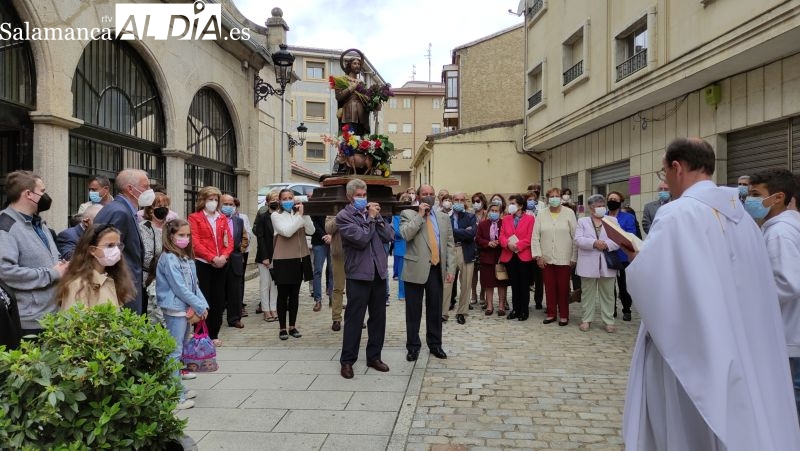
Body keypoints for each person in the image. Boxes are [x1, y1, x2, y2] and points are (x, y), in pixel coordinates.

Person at [623, 137, 800, 450]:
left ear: (677, 167)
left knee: (687, 425)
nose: (665, 181)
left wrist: (637, 260)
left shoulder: (678, 213)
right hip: (738, 336)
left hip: (691, 343)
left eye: (664, 173)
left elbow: (659, 285)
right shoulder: (743, 218)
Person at [746, 168, 800, 417]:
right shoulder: (781, 227)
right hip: (789, 331)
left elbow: (787, 283)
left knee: (789, 401)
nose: (750, 200)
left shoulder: (780, 233)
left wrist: (747, 294)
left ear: (778, 197)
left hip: (787, 332)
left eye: (756, 195)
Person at [336, 179, 394, 379]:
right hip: (358, 274)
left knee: (378, 318)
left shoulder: (373, 214)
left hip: (378, 273)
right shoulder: (344, 217)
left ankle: (374, 357)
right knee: (354, 319)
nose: (362, 198)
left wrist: (378, 218)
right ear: (349, 197)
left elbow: (389, 235)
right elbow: (361, 239)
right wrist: (370, 218)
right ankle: (347, 361)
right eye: (358, 195)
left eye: (364, 195)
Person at [0, 171, 67, 335]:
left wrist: (62, 266)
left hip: (51, 316)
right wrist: (53, 273)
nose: (45, 196)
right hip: (28, 321)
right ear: (28, 194)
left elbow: (51, 258)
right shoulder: (5, 227)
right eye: (42, 191)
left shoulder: (39, 223)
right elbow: (5, 271)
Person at [156, 218, 209, 411]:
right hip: (175, 309)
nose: (185, 238)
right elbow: (179, 287)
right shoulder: (169, 258)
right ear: (170, 236)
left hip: (185, 308)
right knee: (175, 351)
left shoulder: (185, 257)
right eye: (181, 235)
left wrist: (202, 305)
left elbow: (194, 285)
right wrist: (199, 306)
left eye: (188, 235)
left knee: (180, 350)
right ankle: (174, 395)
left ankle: (178, 387)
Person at [400, 184, 455, 361]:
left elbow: (450, 245)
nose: (428, 196)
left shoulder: (443, 217)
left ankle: (435, 344)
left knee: (435, 309)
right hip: (415, 269)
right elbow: (405, 235)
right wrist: (420, 215)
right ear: (418, 196)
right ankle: (413, 346)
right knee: (413, 311)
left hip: (436, 269)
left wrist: (450, 268)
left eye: (431, 194)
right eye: (425, 194)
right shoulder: (408, 214)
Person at [93, 169, 154, 314]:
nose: (150, 191)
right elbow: (107, 253)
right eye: (145, 186)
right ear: (130, 189)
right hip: (121, 286)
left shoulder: (121, 209)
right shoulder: (120, 212)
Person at [188, 186, 233, 346]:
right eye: (210, 199)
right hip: (203, 264)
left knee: (218, 300)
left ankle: (214, 333)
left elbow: (229, 241)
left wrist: (224, 256)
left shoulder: (222, 218)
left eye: (215, 199)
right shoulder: (194, 218)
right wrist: (212, 257)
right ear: (203, 200)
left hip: (221, 264)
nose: (213, 202)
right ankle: (200, 334)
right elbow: (195, 241)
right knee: (203, 299)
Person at [56, 223, 135, 310]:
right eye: (110, 245)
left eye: (118, 245)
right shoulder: (78, 285)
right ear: (92, 250)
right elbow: (75, 317)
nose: (116, 250)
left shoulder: (112, 278)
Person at [271, 189, 314, 340]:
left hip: (299, 258)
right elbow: (287, 232)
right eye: (285, 198)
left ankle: (292, 326)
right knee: (283, 295)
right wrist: (299, 217)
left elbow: (311, 230)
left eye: (290, 198)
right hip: (283, 259)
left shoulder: (299, 215)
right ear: (280, 201)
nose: (288, 201)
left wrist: (305, 214)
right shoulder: (276, 215)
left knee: (295, 295)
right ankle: (282, 328)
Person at [532, 188, 577, 326]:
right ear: (547, 199)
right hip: (546, 258)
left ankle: (564, 315)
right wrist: (538, 256)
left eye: (557, 196)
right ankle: (551, 313)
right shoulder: (541, 214)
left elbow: (575, 237)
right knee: (549, 287)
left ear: (561, 198)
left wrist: (574, 257)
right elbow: (535, 237)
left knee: (563, 288)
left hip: (564, 257)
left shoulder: (569, 213)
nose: (554, 199)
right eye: (551, 196)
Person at [574, 195, 619, 332]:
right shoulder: (582, 221)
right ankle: (586, 320)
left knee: (608, 294)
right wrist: (594, 243)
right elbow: (578, 240)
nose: (601, 208)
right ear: (591, 208)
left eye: (602, 205)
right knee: (587, 294)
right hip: (588, 262)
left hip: (607, 262)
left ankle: (609, 321)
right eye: (598, 206)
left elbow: (618, 239)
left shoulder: (612, 220)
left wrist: (606, 244)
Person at [499, 194, 535, 321]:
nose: (510, 206)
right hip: (509, 255)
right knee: (514, 284)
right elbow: (502, 236)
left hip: (523, 255)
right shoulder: (506, 219)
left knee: (524, 284)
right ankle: (515, 309)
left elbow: (530, 237)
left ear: (520, 205)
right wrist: (507, 244)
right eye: (510, 204)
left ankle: (524, 310)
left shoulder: (530, 219)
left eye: (513, 203)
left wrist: (518, 246)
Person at [442, 192, 477, 325]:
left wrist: (453, 231)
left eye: (462, 200)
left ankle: (462, 312)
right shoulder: (445, 217)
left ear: (465, 201)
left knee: (466, 284)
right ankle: (443, 313)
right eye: (456, 200)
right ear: (451, 201)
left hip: (466, 251)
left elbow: (471, 234)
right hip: (450, 251)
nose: (459, 202)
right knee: (447, 282)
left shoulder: (470, 216)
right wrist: (463, 231)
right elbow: (444, 234)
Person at [139, 192, 170, 323]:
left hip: (169, 277)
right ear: (150, 209)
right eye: (159, 206)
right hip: (151, 278)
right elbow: (147, 256)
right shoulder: (145, 227)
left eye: (166, 206)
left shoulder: (169, 227)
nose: (163, 209)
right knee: (150, 315)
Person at [606, 191, 636, 322]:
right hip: (607, 255)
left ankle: (626, 309)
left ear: (620, 202)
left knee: (623, 285)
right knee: (609, 285)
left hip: (623, 256)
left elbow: (630, 235)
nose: (612, 201)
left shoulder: (628, 217)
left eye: (615, 199)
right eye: (610, 199)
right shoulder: (603, 216)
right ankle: (611, 309)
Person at [475, 202, 508, 316]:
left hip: (501, 257)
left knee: (501, 282)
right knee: (488, 283)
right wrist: (488, 243)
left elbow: (507, 236)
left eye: (496, 211)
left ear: (501, 213)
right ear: (488, 212)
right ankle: (489, 305)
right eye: (492, 211)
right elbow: (478, 239)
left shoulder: (504, 223)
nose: (494, 213)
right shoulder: (483, 224)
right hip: (487, 257)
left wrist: (500, 241)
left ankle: (501, 306)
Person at [220, 194, 248, 329]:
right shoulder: (215, 220)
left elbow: (244, 238)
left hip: (235, 259)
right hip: (219, 259)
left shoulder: (239, 221)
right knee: (219, 290)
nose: (228, 206)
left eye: (231, 204)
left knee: (235, 290)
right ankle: (216, 318)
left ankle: (235, 318)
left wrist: (239, 251)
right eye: (225, 204)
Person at [254, 190, 278, 322]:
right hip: (265, 256)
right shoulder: (263, 217)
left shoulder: (281, 216)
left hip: (278, 255)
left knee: (275, 284)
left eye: (277, 199)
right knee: (265, 284)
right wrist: (265, 257)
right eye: (273, 199)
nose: (275, 202)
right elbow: (260, 238)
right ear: (268, 202)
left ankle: (273, 308)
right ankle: (266, 310)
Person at [335, 56, 369, 136]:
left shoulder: (362, 83)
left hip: (362, 115)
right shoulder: (342, 80)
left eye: (359, 64)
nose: (357, 65)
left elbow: (366, 99)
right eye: (354, 63)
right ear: (349, 65)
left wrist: (374, 102)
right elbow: (338, 97)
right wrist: (351, 88)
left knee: (362, 138)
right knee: (349, 138)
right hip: (348, 113)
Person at [325, 215, 346, 331]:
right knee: (338, 288)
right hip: (338, 253)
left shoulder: (358, 209)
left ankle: (356, 317)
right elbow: (328, 228)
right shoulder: (333, 211)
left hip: (356, 254)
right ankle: (336, 318)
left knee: (356, 288)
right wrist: (340, 215)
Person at [233, 197, 253, 316]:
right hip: (227, 254)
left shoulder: (243, 217)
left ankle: (239, 304)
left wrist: (241, 249)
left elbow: (248, 234)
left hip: (241, 252)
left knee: (240, 278)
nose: (232, 207)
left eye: (233, 205)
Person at [310, 212, 332, 313]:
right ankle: (317, 300)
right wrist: (324, 236)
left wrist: (332, 236)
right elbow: (314, 222)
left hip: (333, 241)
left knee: (333, 271)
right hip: (319, 241)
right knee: (317, 271)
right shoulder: (316, 206)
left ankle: (333, 298)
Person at [470, 192, 489, 305]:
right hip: (472, 246)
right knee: (473, 272)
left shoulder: (488, 214)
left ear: (483, 201)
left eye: (478, 201)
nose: (475, 203)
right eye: (474, 201)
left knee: (484, 272)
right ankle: (473, 294)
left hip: (484, 246)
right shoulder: (470, 214)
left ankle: (482, 293)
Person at [392, 193, 412, 301]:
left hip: (412, 246)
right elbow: (397, 232)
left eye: (408, 199)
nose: (406, 201)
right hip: (401, 247)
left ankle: (411, 293)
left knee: (412, 273)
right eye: (404, 199)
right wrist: (410, 230)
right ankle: (402, 293)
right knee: (401, 273)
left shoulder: (414, 214)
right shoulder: (396, 215)